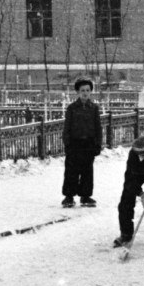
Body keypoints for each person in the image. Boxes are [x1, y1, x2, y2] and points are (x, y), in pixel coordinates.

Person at [61, 77, 102, 208]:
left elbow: (98, 128)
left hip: (89, 144)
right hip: (74, 144)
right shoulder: (72, 108)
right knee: (71, 171)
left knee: (87, 171)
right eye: (82, 90)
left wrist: (98, 144)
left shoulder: (94, 108)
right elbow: (67, 127)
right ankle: (69, 196)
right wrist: (67, 144)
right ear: (77, 92)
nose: (85, 93)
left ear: (91, 92)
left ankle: (85, 196)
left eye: (88, 90)